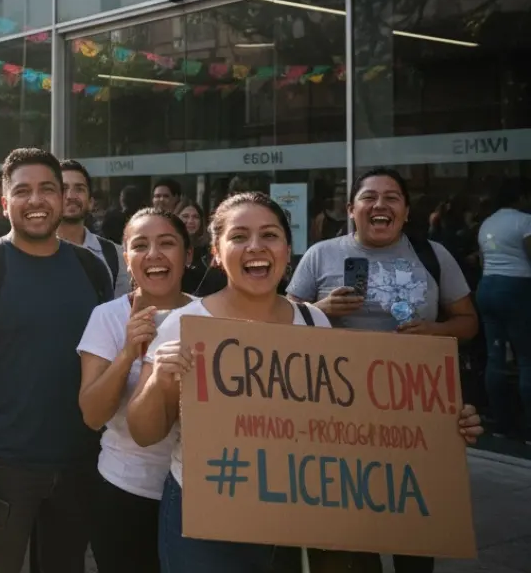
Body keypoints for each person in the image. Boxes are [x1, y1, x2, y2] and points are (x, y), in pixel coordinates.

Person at [128, 192, 483, 572]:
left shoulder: (314, 322)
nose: (255, 247)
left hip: (293, 515)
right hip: (205, 514)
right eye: (238, 237)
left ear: (287, 249)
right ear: (216, 252)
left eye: (269, 235)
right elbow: (144, 432)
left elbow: (357, 422)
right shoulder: (184, 325)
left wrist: (442, 423)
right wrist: (161, 381)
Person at [0, 148, 112, 573]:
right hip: (3, 464)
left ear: (65, 199)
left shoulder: (92, 268)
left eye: (47, 189)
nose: (36, 200)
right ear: (4, 202)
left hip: (78, 461)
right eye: (23, 191)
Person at [78, 208, 194, 573]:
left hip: (197, 493)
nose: (154, 255)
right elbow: (92, 415)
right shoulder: (107, 317)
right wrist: (129, 351)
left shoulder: (210, 317)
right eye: (140, 246)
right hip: (124, 491)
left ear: (188, 255)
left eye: (167, 243)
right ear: (127, 259)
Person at [287, 167, 478, 341]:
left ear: (406, 212)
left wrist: (435, 330)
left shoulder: (434, 255)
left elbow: (468, 323)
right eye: (369, 197)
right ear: (351, 210)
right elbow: (284, 320)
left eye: (392, 198)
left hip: (412, 375)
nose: (380, 205)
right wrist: (320, 310)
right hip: (339, 374)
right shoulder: (319, 254)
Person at [475, 179, 531, 441]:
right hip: (517, 287)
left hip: (487, 287)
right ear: (520, 197)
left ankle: (501, 424)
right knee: (526, 357)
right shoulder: (524, 221)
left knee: (495, 356)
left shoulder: (488, 223)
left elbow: (484, 260)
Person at [59, 160, 130, 298]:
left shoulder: (115, 255)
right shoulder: (33, 254)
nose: (71, 196)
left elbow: (121, 313)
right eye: (63, 189)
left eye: (79, 189)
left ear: (91, 202)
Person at [176, 198, 225, 296]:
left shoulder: (209, 251)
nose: (190, 221)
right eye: (185, 216)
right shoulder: (169, 249)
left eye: (195, 217)